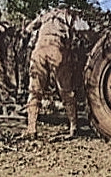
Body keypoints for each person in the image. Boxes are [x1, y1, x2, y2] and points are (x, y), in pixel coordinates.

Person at [25, 8, 91, 138]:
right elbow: (84, 29)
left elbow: (29, 28)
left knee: (35, 91)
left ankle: (31, 128)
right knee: (66, 90)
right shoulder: (68, 15)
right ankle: (73, 126)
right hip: (57, 49)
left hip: (39, 50)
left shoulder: (46, 15)